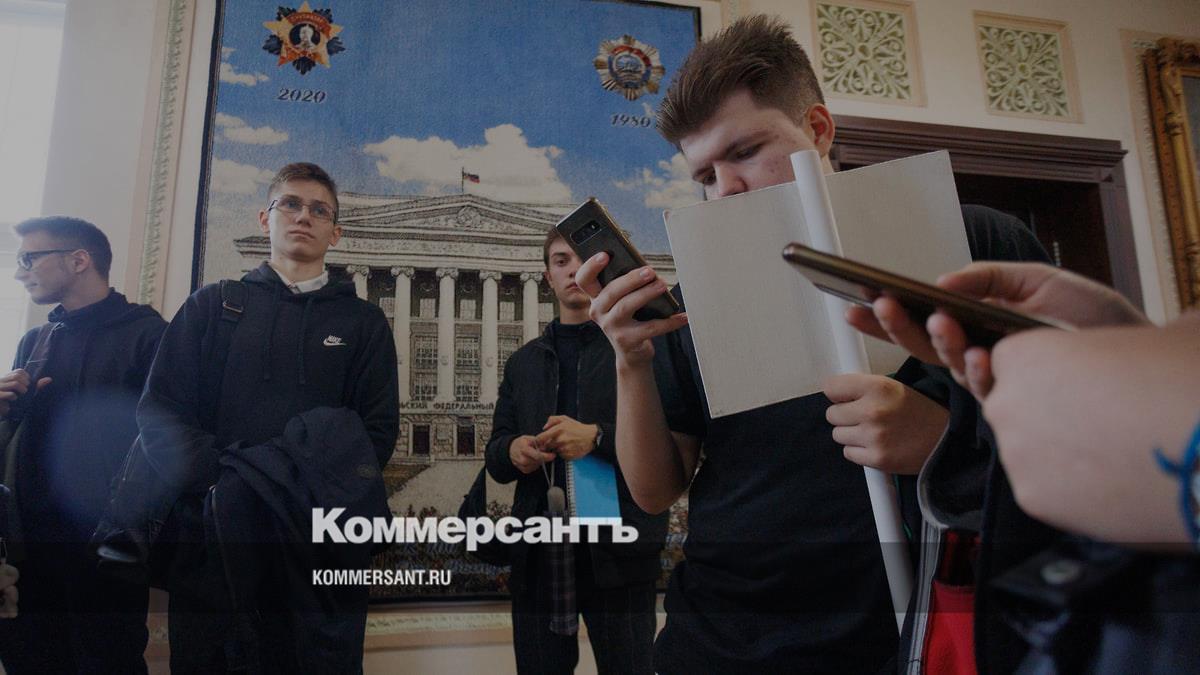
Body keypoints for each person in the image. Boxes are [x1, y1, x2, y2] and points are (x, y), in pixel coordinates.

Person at [575, 15, 1051, 673]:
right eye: (704, 176)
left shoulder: (979, 245)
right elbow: (656, 491)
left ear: (819, 129)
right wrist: (631, 361)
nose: (725, 189)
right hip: (718, 645)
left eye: (745, 152)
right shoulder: (699, 295)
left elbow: (1089, 440)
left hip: (913, 640)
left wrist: (947, 442)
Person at [112, 162, 399, 673]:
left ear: (335, 233)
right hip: (214, 539)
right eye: (290, 204)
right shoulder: (211, 305)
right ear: (265, 219)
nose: (303, 216)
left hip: (316, 546)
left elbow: (374, 435)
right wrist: (226, 485)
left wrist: (292, 494)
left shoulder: (364, 322)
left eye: (319, 210)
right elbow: (161, 413)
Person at [484, 227, 667, 674]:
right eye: (561, 261)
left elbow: (666, 443)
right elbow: (495, 455)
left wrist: (597, 438)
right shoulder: (523, 362)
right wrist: (513, 450)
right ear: (548, 277)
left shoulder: (638, 348)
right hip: (540, 554)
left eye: (582, 258)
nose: (573, 270)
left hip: (618, 552)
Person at [0, 216, 165, 673]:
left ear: (78, 260)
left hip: (106, 552)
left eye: (29, 259)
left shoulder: (150, 336)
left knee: (107, 662)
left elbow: (164, 446)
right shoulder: (36, 340)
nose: (20, 273)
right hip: (28, 551)